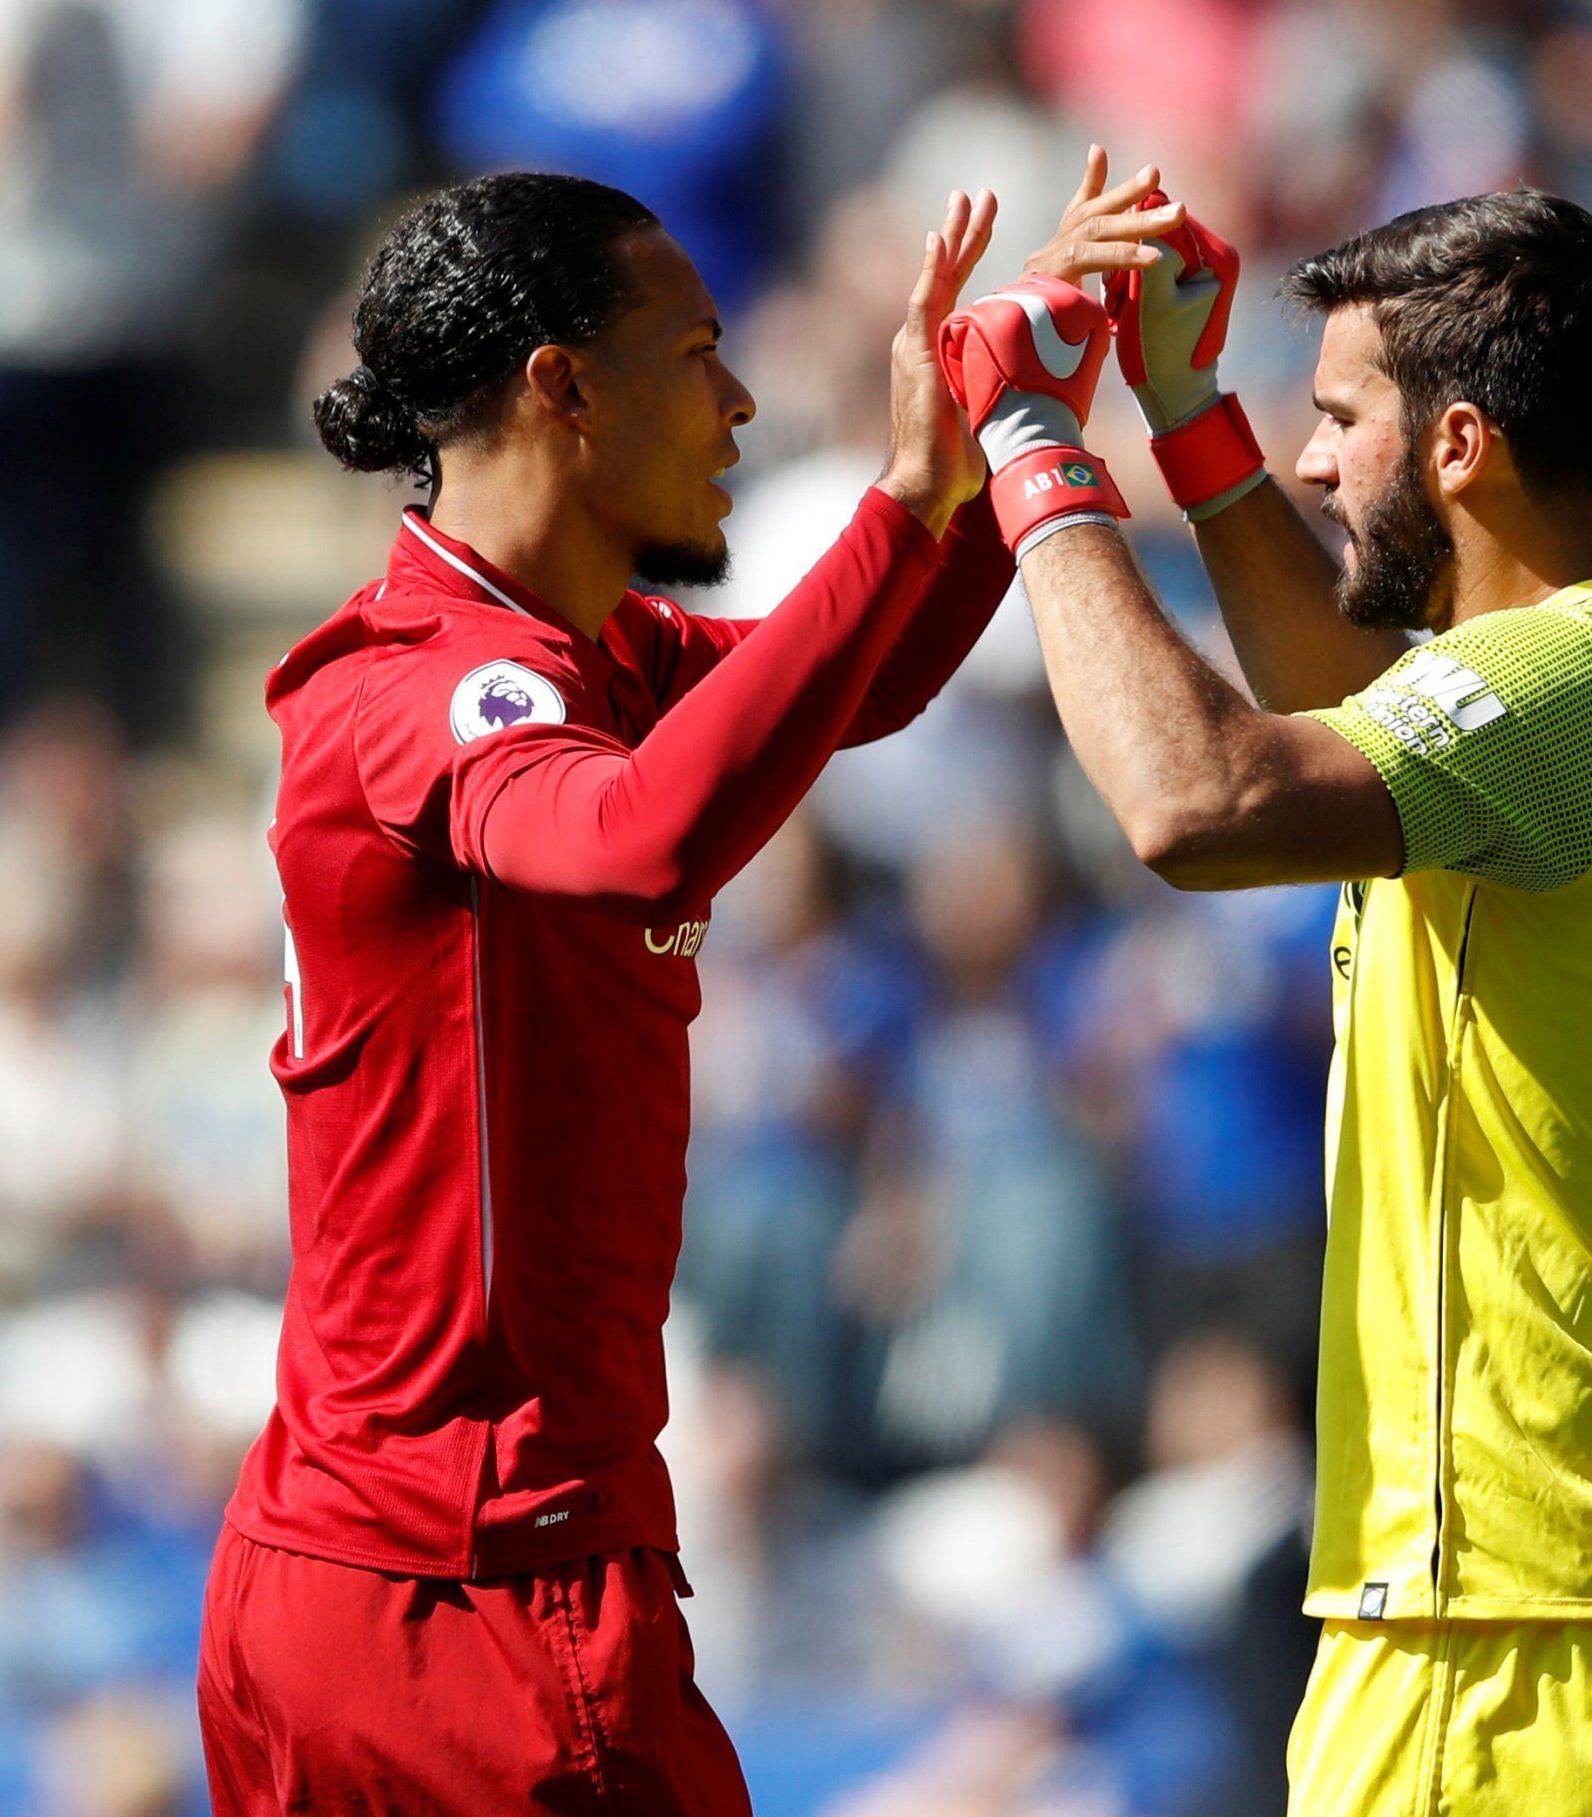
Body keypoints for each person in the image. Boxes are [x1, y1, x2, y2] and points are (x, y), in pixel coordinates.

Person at [194, 170, 1148, 1815]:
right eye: (696, 349)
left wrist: (1020, 422)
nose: (740, 399)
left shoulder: (591, 658)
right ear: (562, 384)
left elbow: (861, 675)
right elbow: (643, 839)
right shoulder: (427, 689)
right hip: (476, 1598)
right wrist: (901, 487)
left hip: (380, 1570)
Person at [938, 154, 1592, 1814]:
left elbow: (1196, 801)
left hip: (1513, 1605)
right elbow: (1349, 686)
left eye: (1339, 416)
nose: (1307, 457)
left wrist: (1034, 451)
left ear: (1459, 444)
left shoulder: (1558, 685)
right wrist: (1186, 405)